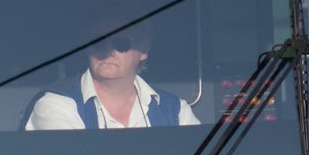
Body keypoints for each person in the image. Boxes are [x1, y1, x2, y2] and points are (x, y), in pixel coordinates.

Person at [25, 21, 197, 130]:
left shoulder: (176, 110)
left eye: (121, 42)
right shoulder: (55, 105)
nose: (108, 51)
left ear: (144, 50)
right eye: (98, 41)